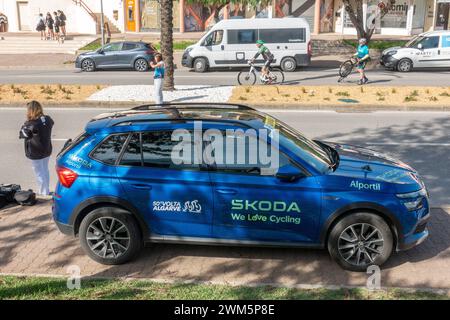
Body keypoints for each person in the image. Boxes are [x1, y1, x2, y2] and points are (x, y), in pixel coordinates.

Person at [19, 101, 54, 197]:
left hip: (36, 152)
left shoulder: (30, 123)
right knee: (45, 170)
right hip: (46, 149)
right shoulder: (47, 119)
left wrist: (24, 125)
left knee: (39, 173)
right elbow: (51, 123)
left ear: (31, 110)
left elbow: (22, 134)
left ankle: (43, 193)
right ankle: (46, 190)